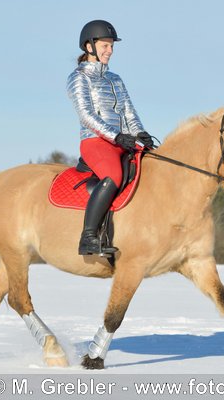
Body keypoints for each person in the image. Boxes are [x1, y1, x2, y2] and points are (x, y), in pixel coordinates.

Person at [67, 20, 154, 256]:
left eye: (112, 46)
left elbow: (128, 112)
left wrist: (140, 134)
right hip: (95, 142)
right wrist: (116, 136)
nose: (110, 51)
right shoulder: (79, 78)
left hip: (121, 141)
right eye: (105, 45)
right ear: (89, 46)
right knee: (114, 174)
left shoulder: (115, 79)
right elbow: (86, 115)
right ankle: (88, 237)